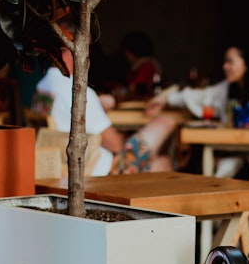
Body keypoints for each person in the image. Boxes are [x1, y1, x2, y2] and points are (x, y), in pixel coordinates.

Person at [34, 47, 176, 175]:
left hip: (68, 161)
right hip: (101, 168)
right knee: (166, 129)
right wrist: (126, 136)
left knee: (159, 160)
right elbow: (115, 145)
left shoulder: (42, 87)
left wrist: (97, 107)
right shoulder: (79, 93)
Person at [148, 45, 249, 178]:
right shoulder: (228, 88)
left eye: (230, 62)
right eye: (225, 62)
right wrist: (166, 99)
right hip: (229, 150)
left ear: (246, 63)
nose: (225, 67)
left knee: (224, 166)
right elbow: (203, 96)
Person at [121, 30, 162, 100]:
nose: (125, 55)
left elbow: (134, 87)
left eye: (126, 51)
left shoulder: (147, 65)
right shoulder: (138, 65)